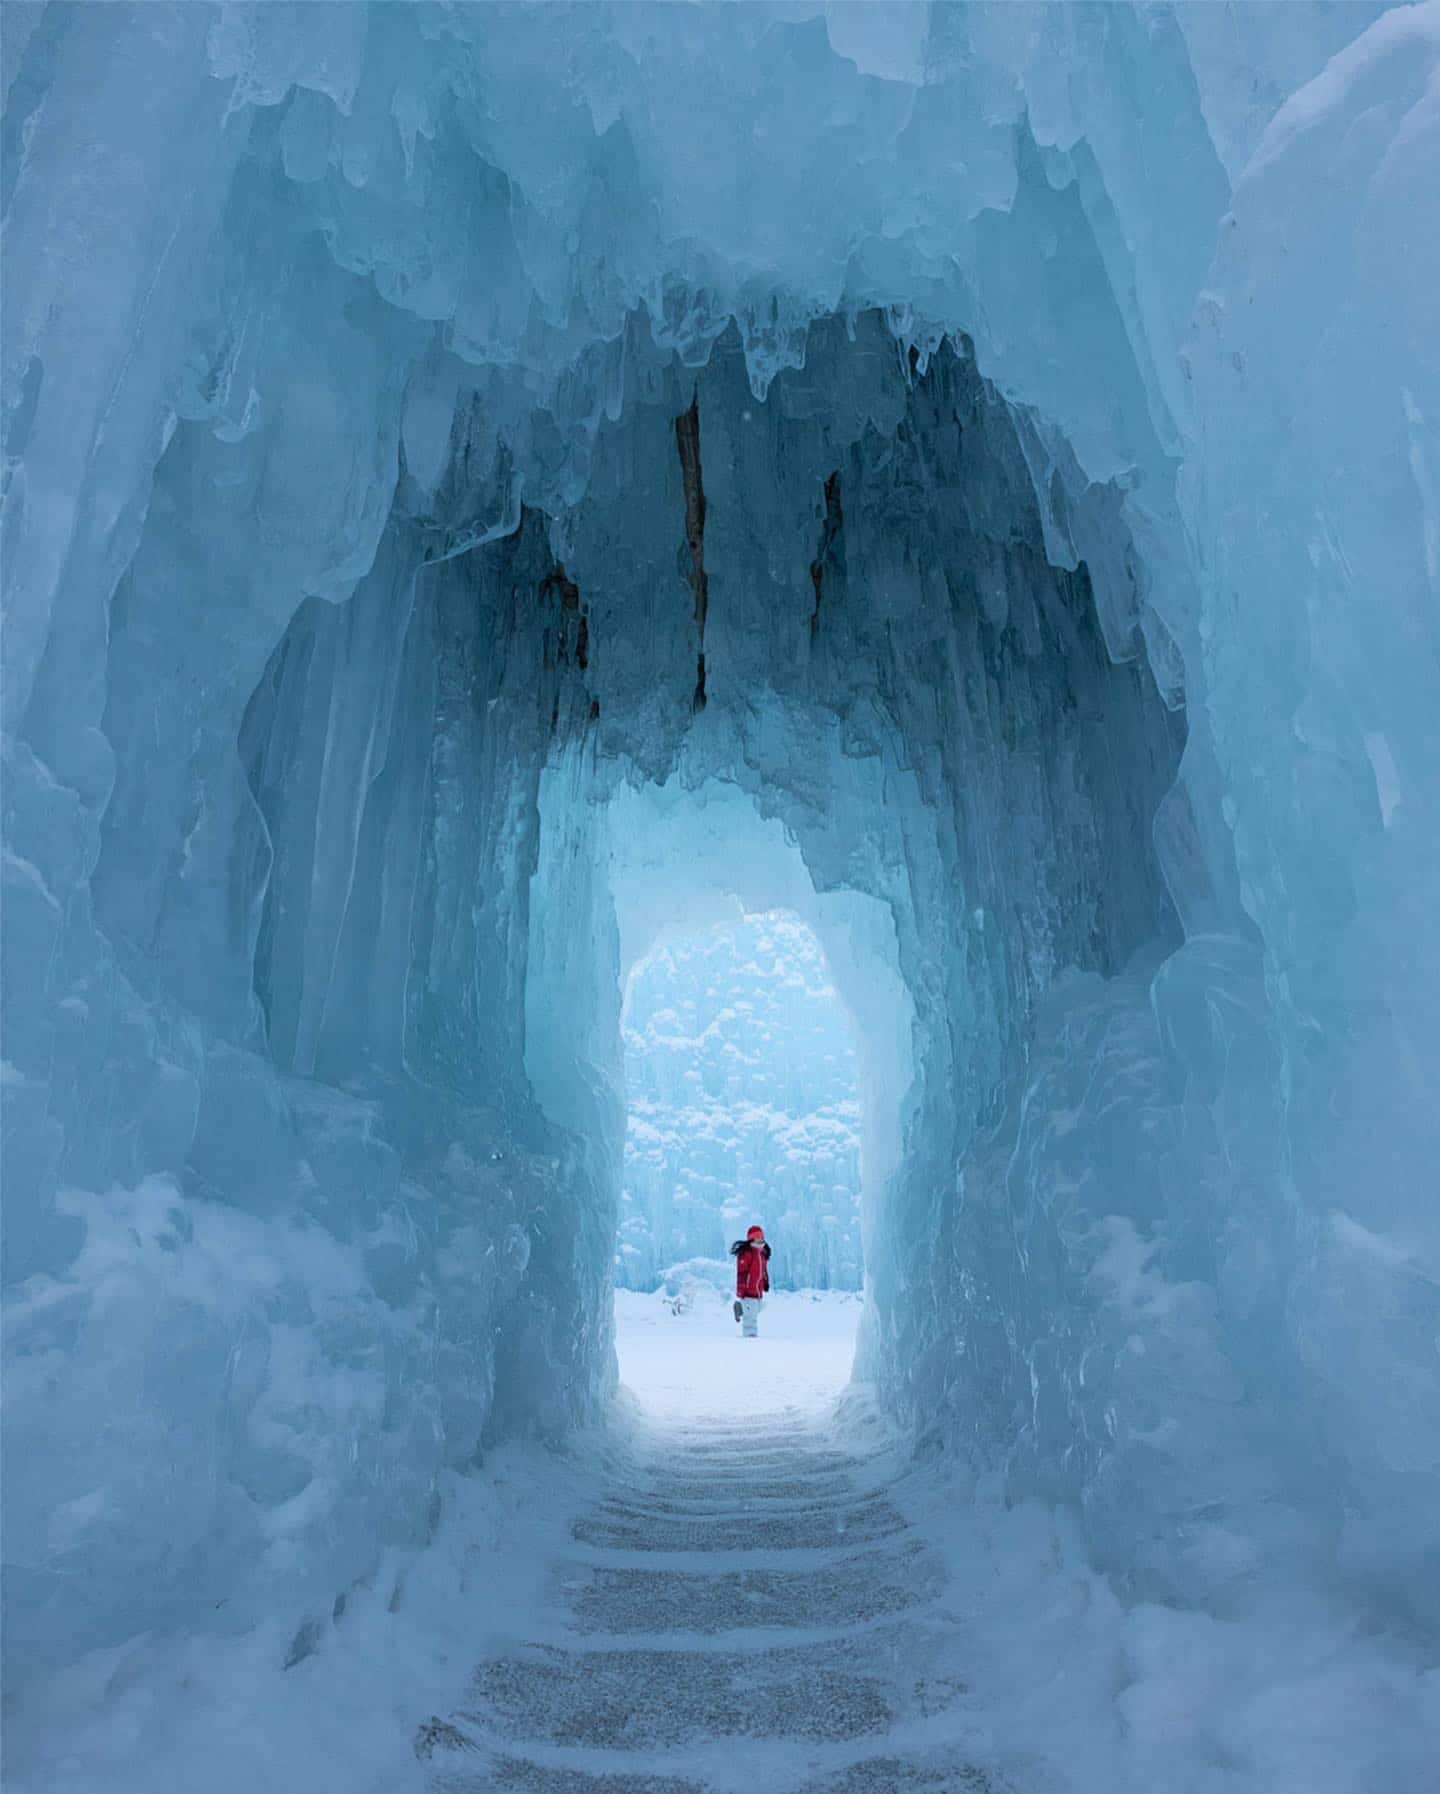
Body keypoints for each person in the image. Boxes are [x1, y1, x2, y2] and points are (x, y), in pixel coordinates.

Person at [730, 1224, 771, 1338]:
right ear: (751, 1239)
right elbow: (742, 1273)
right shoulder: (746, 1253)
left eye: (761, 1237)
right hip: (748, 1290)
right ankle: (750, 1336)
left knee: (758, 1308)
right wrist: (741, 1289)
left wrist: (766, 1282)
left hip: (758, 1291)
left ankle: (740, 1307)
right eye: (757, 1237)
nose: (760, 1239)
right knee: (751, 1316)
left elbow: (763, 1271)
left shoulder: (762, 1253)